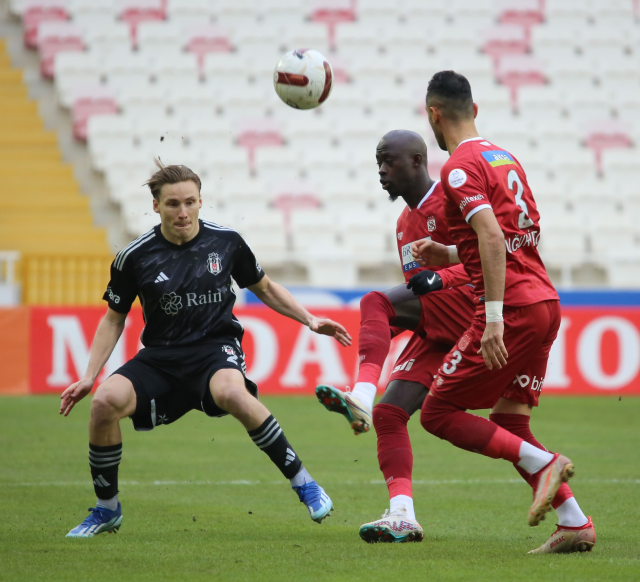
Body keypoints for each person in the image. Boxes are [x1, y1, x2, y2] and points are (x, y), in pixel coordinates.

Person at [61, 161, 352, 538]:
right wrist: (89, 376)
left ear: (201, 202)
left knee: (232, 392)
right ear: (156, 206)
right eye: (172, 204)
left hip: (215, 348)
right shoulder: (134, 257)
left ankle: (304, 483)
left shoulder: (226, 241)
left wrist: (310, 320)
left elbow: (264, 288)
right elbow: (114, 318)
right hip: (161, 357)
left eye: (190, 202)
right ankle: (106, 510)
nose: (182, 212)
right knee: (104, 403)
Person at [412, 70, 595, 553]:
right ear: (474, 109)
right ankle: (575, 523)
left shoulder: (458, 167)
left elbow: (492, 237)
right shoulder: (503, 156)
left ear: (434, 114)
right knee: (510, 420)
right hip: (544, 302)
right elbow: (510, 235)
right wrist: (451, 255)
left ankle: (543, 463)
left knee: (437, 412)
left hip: (510, 308)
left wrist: (492, 318)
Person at [316, 130, 476, 543]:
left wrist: (438, 277)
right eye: (378, 163)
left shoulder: (453, 203)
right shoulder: (405, 222)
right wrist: (397, 317)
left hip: (474, 315)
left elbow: (485, 259)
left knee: (375, 302)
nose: (382, 171)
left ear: (419, 162)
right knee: (392, 415)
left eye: (390, 162)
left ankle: (361, 396)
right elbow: (417, 291)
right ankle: (402, 514)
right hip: (441, 330)